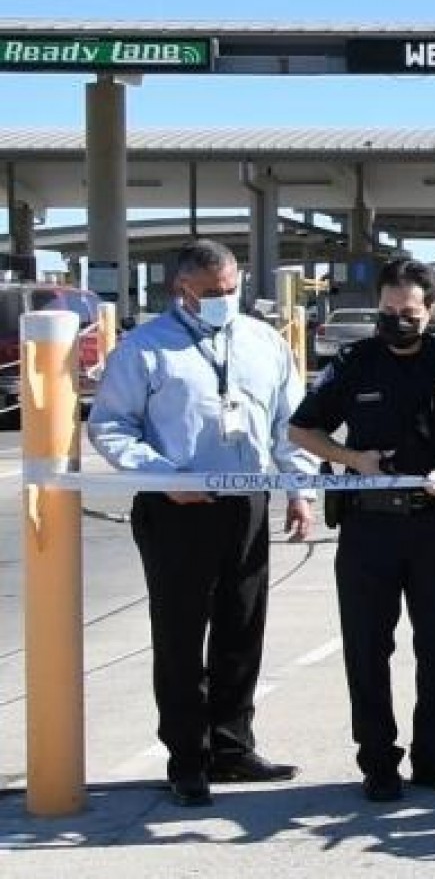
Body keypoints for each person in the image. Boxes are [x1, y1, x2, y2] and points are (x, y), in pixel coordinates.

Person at [88, 239, 318, 808]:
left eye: (232, 288)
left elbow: (290, 424)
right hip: (177, 508)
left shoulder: (264, 342)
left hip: (247, 503)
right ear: (181, 290)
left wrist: (300, 490)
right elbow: (111, 426)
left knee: (242, 628)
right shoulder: (144, 349)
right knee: (181, 638)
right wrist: (163, 475)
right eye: (213, 292)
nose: (225, 299)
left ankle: (232, 747)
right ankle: (187, 758)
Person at [288, 258, 435, 802]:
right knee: (368, 650)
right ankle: (377, 761)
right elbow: (302, 429)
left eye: (409, 311)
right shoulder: (355, 362)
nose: (397, 319)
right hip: (369, 528)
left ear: (431, 311)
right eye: (388, 310)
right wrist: (355, 460)